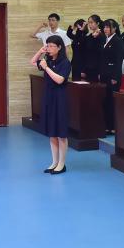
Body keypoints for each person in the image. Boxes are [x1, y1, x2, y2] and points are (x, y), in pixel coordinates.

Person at [30, 35, 71, 174]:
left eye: (52, 46)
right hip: (48, 97)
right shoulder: (46, 60)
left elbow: (60, 80)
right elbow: (32, 61)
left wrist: (46, 68)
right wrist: (40, 51)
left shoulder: (65, 63)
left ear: (59, 47)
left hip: (60, 98)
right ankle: (54, 162)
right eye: (47, 45)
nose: (49, 48)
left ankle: (62, 164)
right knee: (52, 133)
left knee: (61, 133)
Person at [98, 19, 124, 134]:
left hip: (113, 75)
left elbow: (119, 60)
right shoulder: (105, 39)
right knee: (105, 100)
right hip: (104, 74)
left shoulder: (117, 40)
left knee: (112, 102)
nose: (105, 29)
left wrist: (115, 77)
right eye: (104, 27)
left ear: (114, 28)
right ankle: (106, 125)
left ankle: (113, 126)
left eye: (108, 27)